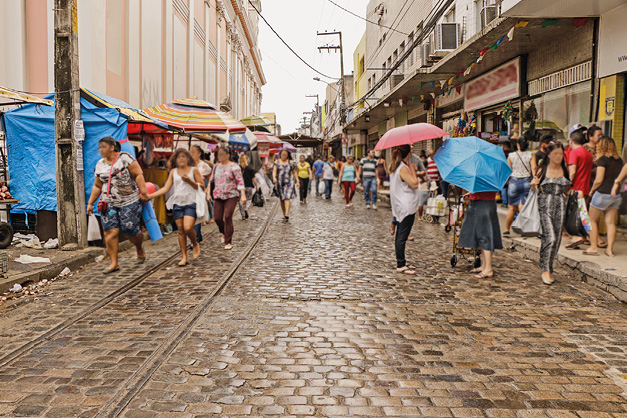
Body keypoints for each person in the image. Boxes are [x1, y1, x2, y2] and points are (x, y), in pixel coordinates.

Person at [88, 137, 150, 274]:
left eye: (104, 147)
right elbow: (97, 185)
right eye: (100, 147)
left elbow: (138, 174)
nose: (101, 150)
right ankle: (114, 262)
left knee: (130, 229)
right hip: (108, 202)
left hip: (129, 201)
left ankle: (139, 248)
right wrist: (90, 203)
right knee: (110, 232)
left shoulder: (125, 158)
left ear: (112, 147)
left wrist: (144, 192)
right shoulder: (99, 164)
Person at [149, 149, 204, 266]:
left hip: (191, 202)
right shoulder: (173, 171)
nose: (181, 159)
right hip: (178, 203)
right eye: (179, 157)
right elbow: (166, 188)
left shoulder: (194, 170)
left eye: (184, 156)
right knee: (180, 230)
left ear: (188, 158)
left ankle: (195, 243)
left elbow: (201, 186)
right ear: (175, 159)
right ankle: (184, 256)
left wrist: (189, 181)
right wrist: (150, 195)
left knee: (188, 227)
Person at [532, 141, 574, 285]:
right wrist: (534, 185)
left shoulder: (564, 169)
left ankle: (548, 266)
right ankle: (545, 270)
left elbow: (567, 188)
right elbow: (535, 192)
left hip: (560, 206)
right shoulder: (542, 169)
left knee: (556, 239)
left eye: (561, 154)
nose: (558, 156)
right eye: (555, 153)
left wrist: (570, 193)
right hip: (544, 204)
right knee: (550, 237)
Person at [584, 137, 623, 257]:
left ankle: (593, 247)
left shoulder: (602, 160)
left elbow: (599, 179)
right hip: (616, 195)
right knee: (610, 222)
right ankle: (610, 250)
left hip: (602, 194)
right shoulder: (620, 161)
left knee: (592, 220)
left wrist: (591, 191)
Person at [457, 189, 502, 279]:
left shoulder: (485, 174)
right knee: (481, 235)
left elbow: (484, 187)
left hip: (483, 203)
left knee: (485, 236)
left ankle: (488, 269)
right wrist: (471, 193)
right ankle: (484, 265)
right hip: (483, 202)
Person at [389, 145, 419, 275]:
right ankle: (400, 264)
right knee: (402, 236)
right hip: (406, 206)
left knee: (400, 235)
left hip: (401, 205)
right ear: (408, 154)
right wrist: (413, 170)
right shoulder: (403, 168)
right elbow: (414, 183)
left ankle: (402, 261)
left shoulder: (397, 167)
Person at [209, 147, 246, 249]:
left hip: (231, 195)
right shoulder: (216, 166)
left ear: (227, 155)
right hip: (218, 195)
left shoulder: (234, 167)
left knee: (228, 216)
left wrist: (243, 194)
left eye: (222, 154)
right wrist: (208, 193)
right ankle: (223, 232)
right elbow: (211, 181)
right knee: (217, 218)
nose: (219, 156)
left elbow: (240, 181)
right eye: (218, 154)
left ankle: (228, 241)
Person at [565, 130, 593, 248]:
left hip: (576, 188)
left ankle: (580, 237)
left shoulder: (574, 153)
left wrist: (566, 186)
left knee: (574, 215)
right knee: (583, 214)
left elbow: (572, 172)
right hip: (585, 188)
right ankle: (585, 237)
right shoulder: (588, 154)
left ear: (571, 141)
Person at [504, 138, 537, 235]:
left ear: (518, 145)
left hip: (514, 182)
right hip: (527, 181)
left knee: (512, 208)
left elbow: (508, 169)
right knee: (523, 206)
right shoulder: (531, 155)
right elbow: (534, 168)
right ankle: (523, 229)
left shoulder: (511, 155)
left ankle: (506, 229)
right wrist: (535, 179)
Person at [190, 145, 211, 242]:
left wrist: (208, 191)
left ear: (199, 154)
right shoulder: (187, 165)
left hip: (199, 194)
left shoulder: (204, 166)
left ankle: (196, 239)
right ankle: (198, 236)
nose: (191, 154)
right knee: (191, 216)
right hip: (189, 194)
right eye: (190, 151)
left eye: (193, 152)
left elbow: (210, 179)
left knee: (197, 215)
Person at [273, 149, 298, 221]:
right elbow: (274, 171)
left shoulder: (291, 162)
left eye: (285, 154)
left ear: (287, 155)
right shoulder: (276, 162)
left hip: (289, 182)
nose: (284, 155)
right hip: (280, 183)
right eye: (282, 154)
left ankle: (287, 214)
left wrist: (297, 180)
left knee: (287, 197)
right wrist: (274, 178)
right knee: (282, 199)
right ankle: (284, 213)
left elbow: (294, 172)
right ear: (280, 155)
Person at [238, 154, 258, 220]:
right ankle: (246, 208)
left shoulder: (238, 168)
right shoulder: (250, 168)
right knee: (249, 199)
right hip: (249, 186)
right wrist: (256, 185)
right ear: (247, 159)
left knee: (241, 201)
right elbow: (254, 178)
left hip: (240, 187)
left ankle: (243, 215)